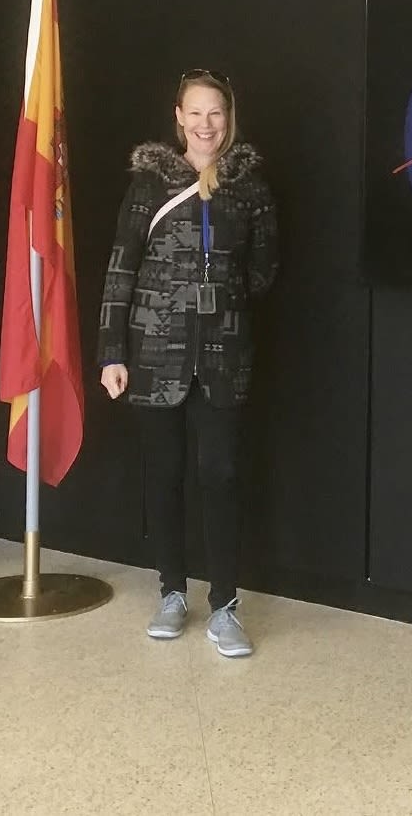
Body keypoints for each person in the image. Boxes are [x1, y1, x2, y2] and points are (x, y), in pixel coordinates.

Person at [98, 69, 279, 658]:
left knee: (221, 475)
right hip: (154, 354)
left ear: (230, 119)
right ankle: (172, 592)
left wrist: (221, 299)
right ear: (178, 116)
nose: (206, 125)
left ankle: (225, 603)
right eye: (195, 114)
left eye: (216, 114)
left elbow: (263, 270)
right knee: (166, 475)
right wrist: (112, 353)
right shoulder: (149, 184)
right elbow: (121, 269)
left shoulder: (249, 187)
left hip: (224, 355)